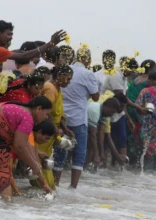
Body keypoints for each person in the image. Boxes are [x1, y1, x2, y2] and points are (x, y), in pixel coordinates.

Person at [0, 20, 66, 119]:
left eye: (12, 35)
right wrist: (51, 44)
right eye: (8, 34)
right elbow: (24, 56)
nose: (11, 38)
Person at [0, 96, 53, 200]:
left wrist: (43, 182)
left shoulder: (21, 110)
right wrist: (34, 166)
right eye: (46, 114)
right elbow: (19, 146)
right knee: (2, 180)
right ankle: (5, 210)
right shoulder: (27, 118)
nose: (47, 117)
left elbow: (28, 147)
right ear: (38, 109)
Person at [52, 46, 99, 188]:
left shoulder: (66, 70)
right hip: (79, 119)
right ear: (88, 59)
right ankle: (73, 187)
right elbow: (96, 97)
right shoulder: (88, 74)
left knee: (60, 151)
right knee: (79, 154)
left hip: (62, 117)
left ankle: (56, 184)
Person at [36, 65, 73, 188]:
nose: (69, 81)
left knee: (46, 159)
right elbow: (46, 111)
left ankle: (45, 186)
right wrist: (54, 129)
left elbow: (59, 112)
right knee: (41, 159)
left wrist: (65, 128)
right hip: (46, 129)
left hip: (52, 129)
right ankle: (43, 186)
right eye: (68, 78)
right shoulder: (50, 88)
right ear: (58, 76)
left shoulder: (57, 88)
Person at [126, 59, 156, 165]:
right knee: (140, 137)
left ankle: (129, 161)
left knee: (131, 135)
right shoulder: (149, 81)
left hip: (129, 108)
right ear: (151, 69)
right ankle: (138, 163)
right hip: (139, 110)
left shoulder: (136, 79)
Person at [86, 97, 122, 169]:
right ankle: (83, 168)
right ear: (107, 106)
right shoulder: (95, 111)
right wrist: (96, 155)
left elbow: (101, 132)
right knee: (90, 146)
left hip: (85, 125)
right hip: (74, 122)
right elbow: (93, 135)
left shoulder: (104, 113)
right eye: (112, 112)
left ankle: (85, 169)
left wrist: (101, 153)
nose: (112, 115)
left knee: (91, 146)